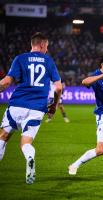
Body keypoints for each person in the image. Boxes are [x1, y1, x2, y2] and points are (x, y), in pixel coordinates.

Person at [0, 32, 62, 184]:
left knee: (3, 137)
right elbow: (58, 87)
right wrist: (53, 106)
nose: (47, 49)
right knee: (26, 143)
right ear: (41, 44)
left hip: (16, 105)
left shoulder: (20, 58)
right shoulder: (48, 61)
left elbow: (6, 82)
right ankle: (29, 157)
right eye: (46, 46)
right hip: (37, 108)